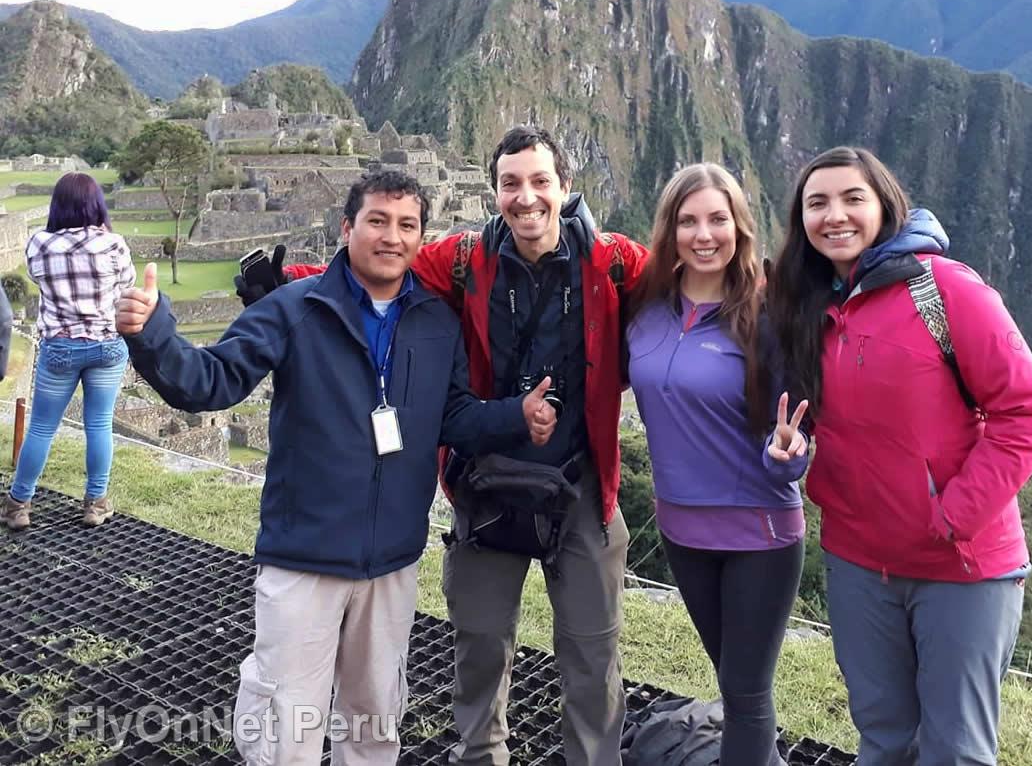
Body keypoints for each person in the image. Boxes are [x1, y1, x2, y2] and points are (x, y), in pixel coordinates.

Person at [116, 170, 558, 766]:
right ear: (348, 227)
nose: (391, 237)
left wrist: (514, 415)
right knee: (286, 728)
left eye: (407, 226)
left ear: (421, 239)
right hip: (305, 558)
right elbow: (210, 381)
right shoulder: (296, 310)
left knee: (375, 721)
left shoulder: (434, 322)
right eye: (377, 221)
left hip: (392, 564)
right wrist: (154, 336)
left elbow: (451, 417)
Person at [278, 126, 648, 766]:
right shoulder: (463, 260)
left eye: (539, 182)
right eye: (511, 183)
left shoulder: (611, 262)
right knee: (479, 646)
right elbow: (373, 269)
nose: (525, 197)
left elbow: (694, 286)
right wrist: (287, 282)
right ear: (494, 190)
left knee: (592, 653)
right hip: (489, 485)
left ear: (564, 187)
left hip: (582, 486)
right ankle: (482, 757)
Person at [767, 147, 1032, 766]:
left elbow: (1029, 412)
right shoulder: (809, 308)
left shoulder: (946, 289)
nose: (835, 216)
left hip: (961, 565)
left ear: (885, 207)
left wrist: (953, 514)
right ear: (801, 221)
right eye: (817, 203)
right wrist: (792, 456)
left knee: (954, 749)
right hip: (857, 563)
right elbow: (813, 425)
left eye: (853, 199)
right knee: (882, 735)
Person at [625, 163, 808, 766]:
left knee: (746, 695)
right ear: (669, 230)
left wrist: (786, 456)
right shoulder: (646, 309)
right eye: (688, 221)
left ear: (739, 226)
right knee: (732, 684)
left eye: (717, 219)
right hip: (682, 531)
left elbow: (794, 432)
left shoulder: (766, 315)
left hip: (758, 530)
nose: (704, 235)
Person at [3, 173, 134, 531]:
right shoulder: (113, 245)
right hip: (106, 345)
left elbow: (37, 276)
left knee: (42, 427)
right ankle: (95, 503)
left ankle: (18, 505)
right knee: (99, 424)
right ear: (96, 205)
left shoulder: (40, 244)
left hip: (60, 346)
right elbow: (127, 284)